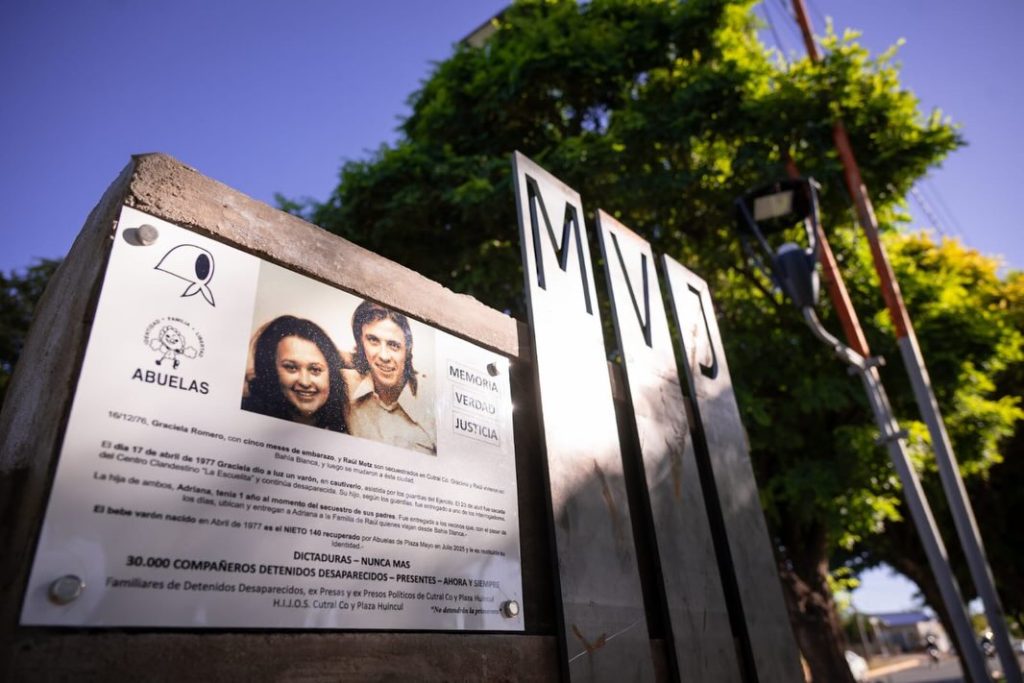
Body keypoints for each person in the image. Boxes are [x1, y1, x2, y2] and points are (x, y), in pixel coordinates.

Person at [343, 301, 435, 454]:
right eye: (373, 340)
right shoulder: (346, 385)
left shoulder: (431, 398)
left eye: (393, 345)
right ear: (361, 343)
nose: (384, 356)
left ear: (407, 349)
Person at [242, 315, 347, 433]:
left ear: (331, 375)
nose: (305, 382)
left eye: (315, 369)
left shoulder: (349, 424)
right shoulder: (246, 420)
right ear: (271, 370)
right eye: (291, 367)